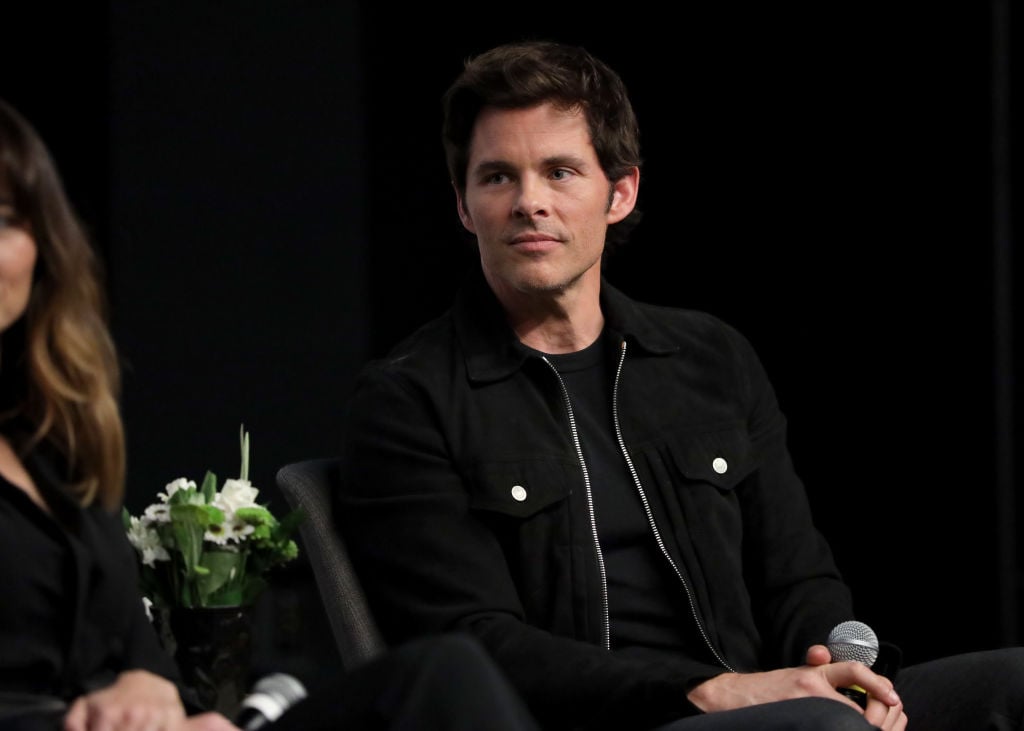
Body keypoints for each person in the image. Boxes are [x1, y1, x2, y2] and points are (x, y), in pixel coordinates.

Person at [334, 39, 1024, 731]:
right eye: (496, 178)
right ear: (463, 204)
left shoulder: (710, 357)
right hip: (613, 719)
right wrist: (713, 689)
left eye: (560, 171)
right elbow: (477, 643)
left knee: (1011, 683)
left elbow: (797, 575)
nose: (528, 202)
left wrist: (834, 669)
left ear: (621, 190)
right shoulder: (409, 399)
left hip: (771, 705)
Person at [0, 97, 541, 731]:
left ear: (41, 250)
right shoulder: (416, 394)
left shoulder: (49, 442)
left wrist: (151, 684)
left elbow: (128, 642)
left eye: (7, 219)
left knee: (442, 675)